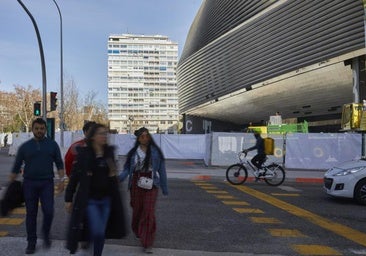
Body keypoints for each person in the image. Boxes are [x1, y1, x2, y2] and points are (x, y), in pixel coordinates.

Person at [65, 123, 127, 255]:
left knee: (101, 232)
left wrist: (112, 174)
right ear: (93, 136)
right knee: (98, 230)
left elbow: (113, 179)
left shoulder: (109, 153)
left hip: (106, 199)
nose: (104, 136)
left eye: (106, 133)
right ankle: (87, 239)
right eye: (101, 133)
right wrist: (68, 198)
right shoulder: (84, 154)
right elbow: (74, 177)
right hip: (90, 200)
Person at [9, 118, 65, 254]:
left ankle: (46, 234)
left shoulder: (52, 145)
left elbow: (59, 163)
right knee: (31, 214)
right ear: (32, 129)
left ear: (45, 130)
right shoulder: (25, 147)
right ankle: (31, 242)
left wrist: (62, 179)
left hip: (47, 183)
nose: (39, 131)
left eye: (42, 129)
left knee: (49, 212)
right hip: (29, 184)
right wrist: (11, 185)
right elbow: (16, 166)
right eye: (37, 129)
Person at [119, 127, 168, 254]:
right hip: (136, 182)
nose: (145, 138)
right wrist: (118, 179)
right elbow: (126, 170)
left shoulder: (156, 152)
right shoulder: (133, 153)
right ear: (138, 138)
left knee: (148, 212)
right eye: (142, 136)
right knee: (137, 211)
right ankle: (137, 229)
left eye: (147, 135)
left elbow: (161, 170)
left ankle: (147, 243)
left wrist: (165, 187)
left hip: (151, 183)